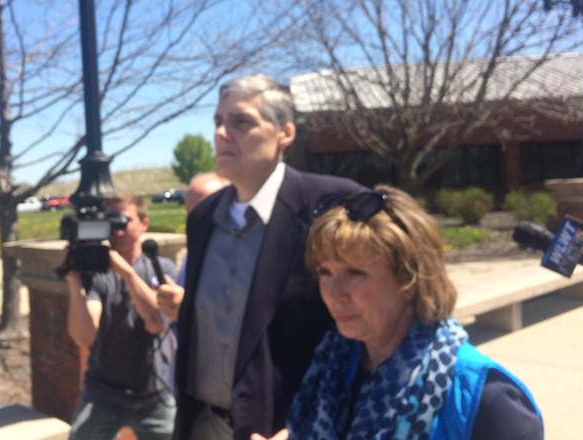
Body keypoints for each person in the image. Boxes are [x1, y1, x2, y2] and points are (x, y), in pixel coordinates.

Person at [252, 185, 543, 439]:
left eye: (355, 273)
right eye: (325, 272)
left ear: (409, 278)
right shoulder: (328, 370)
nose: (333, 293)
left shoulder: (488, 400)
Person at [173, 74, 366, 440]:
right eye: (218, 121)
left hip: (286, 429)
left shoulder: (331, 205)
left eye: (241, 121)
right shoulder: (203, 218)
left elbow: (382, 314)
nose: (221, 133)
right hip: (201, 425)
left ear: (285, 134)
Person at [57, 194, 178, 440]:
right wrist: (73, 279)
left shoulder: (160, 267)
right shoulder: (96, 273)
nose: (117, 230)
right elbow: (84, 336)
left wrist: (127, 273)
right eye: (109, 221)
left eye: (122, 221)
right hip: (103, 394)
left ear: (144, 223)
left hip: (154, 395)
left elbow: (156, 322)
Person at [157, 172, 228, 321]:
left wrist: (188, 306)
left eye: (205, 206)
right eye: (190, 209)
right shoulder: (192, 253)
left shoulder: (241, 253)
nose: (196, 216)